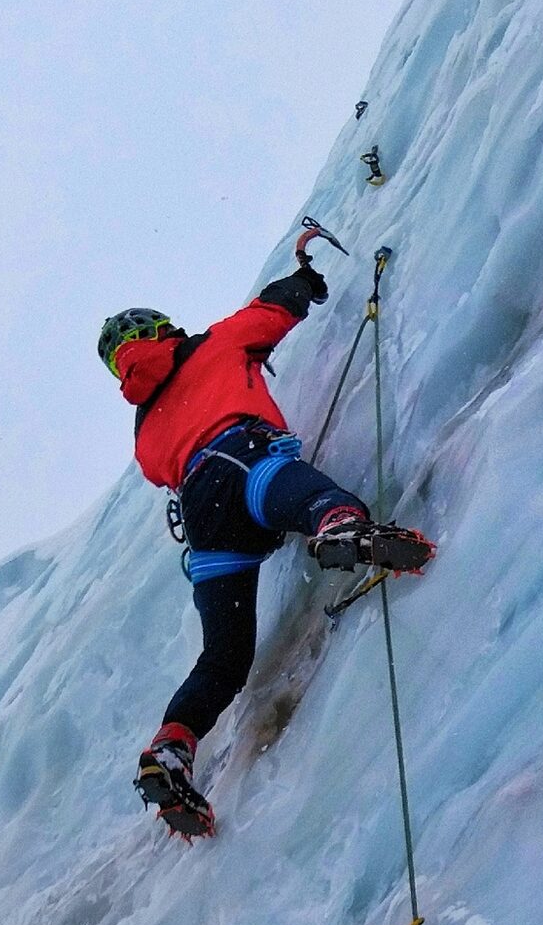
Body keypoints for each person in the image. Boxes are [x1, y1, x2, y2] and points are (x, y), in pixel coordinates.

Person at [99, 228, 433, 837]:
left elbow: (162, 470)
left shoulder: (144, 435)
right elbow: (271, 312)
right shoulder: (213, 346)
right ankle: (339, 529)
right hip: (240, 460)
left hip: (203, 527)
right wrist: (304, 281)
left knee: (224, 659)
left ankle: (171, 749)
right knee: (309, 495)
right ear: (161, 330)